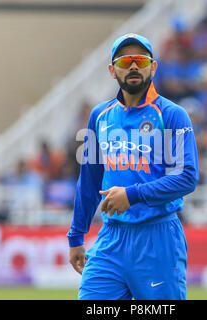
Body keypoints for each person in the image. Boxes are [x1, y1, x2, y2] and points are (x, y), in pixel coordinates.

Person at [67, 33, 199, 300]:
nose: (134, 67)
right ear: (112, 70)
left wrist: (132, 195)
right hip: (111, 239)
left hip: (158, 238)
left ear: (153, 67)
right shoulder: (100, 116)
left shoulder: (172, 114)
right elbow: (89, 181)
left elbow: (187, 177)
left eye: (140, 60)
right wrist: (76, 235)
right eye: (126, 61)